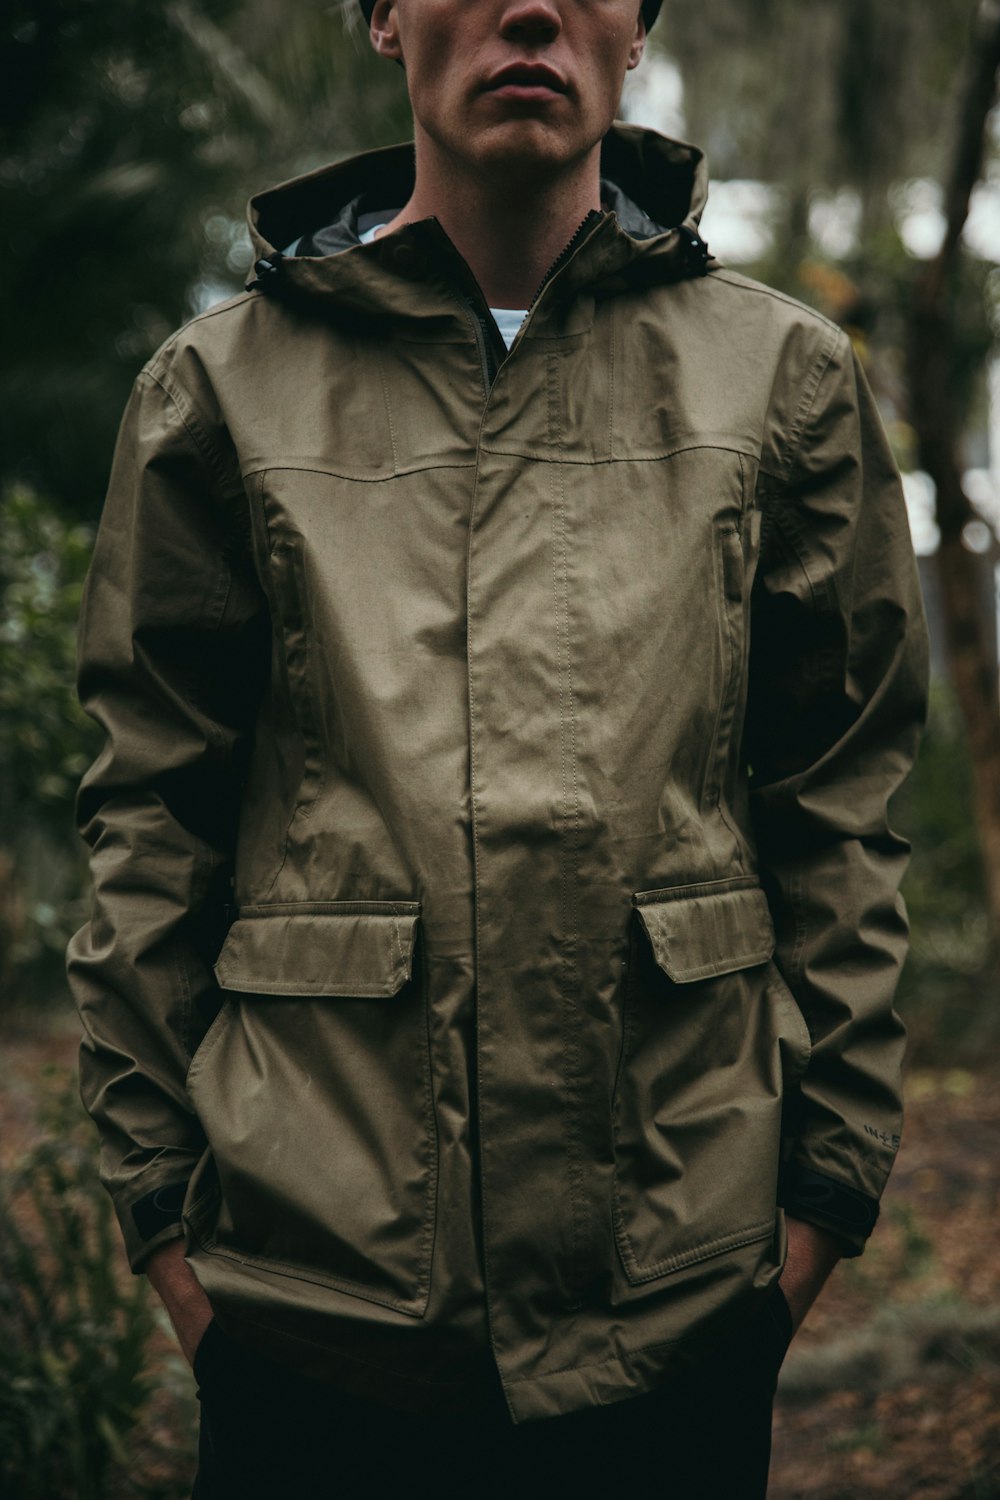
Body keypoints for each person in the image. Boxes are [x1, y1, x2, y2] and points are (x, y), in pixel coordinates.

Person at [67, 0, 928, 1494]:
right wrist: (166, 1226)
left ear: (639, 25)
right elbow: (149, 817)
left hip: (680, 1306)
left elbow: (840, 806)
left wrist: (817, 1209)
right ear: (386, 16)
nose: (531, 4)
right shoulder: (217, 392)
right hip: (305, 1317)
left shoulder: (782, 384)